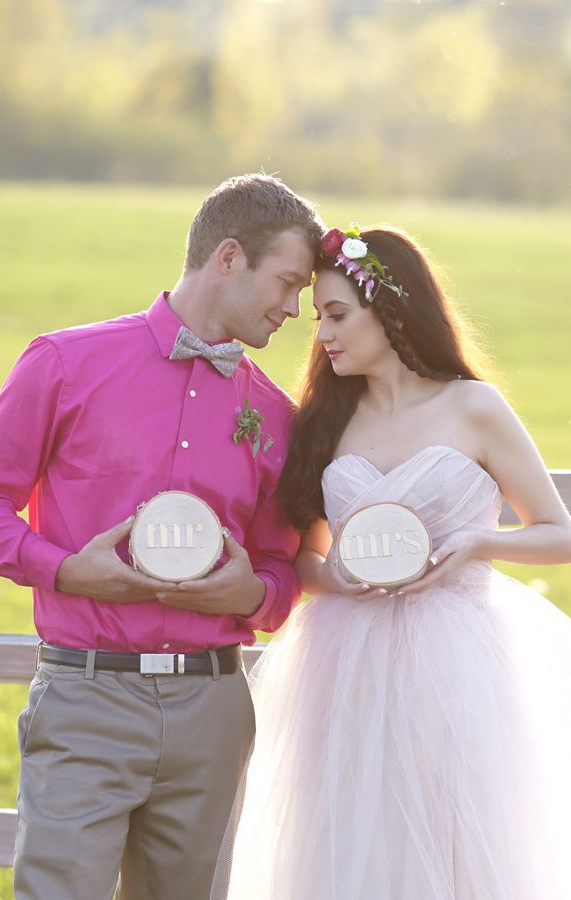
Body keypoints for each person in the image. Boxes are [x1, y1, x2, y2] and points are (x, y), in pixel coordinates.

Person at [0, 173, 324, 899]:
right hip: (85, 698)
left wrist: (253, 591)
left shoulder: (276, 415)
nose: (296, 309)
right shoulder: (65, 363)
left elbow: (284, 570)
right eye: (287, 284)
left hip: (213, 712)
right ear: (229, 257)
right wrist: (67, 571)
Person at [212, 225, 571, 900]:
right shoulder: (323, 423)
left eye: (338, 315)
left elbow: (559, 533)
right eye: (319, 318)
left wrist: (481, 544)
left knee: (457, 835)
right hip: (347, 661)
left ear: (393, 309)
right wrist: (334, 579)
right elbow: (306, 560)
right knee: (351, 837)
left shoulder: (474, 408)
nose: (322, 335)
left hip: (459, 660)